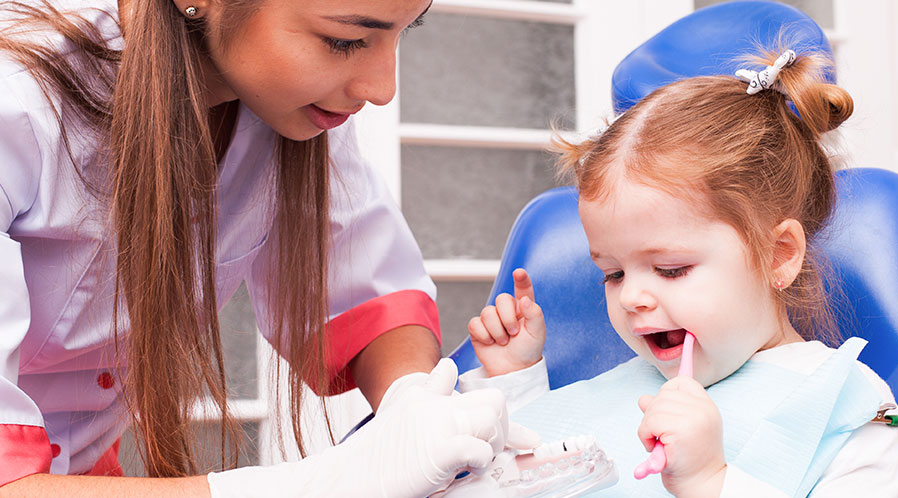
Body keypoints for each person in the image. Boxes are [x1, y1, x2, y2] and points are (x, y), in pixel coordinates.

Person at [0, 0, 526, 495]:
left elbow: (369, 296)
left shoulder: (288, 107)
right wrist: (326, 484)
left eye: (401, 31)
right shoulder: (16, 104)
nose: (382, 88)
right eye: (345, 40)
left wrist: (415, 404)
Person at [461, 46, 898, 496]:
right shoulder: (631, 386)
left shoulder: (846, 410)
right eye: (613, 274)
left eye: (670, 269)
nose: (630, 298)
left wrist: (711, 481)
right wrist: (514, 382)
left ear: (779, 254)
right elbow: (530, 481)